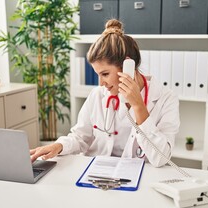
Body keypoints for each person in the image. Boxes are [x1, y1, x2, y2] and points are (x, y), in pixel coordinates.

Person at [30, 19, 180, 168]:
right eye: (98, 75)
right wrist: (58, 146)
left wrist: (138, 106)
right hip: (97, 174)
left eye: (105, 74)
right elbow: (80, 137)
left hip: (138, 180)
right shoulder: (98, 95)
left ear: (128, 65)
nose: (101, 83)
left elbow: (161, 158)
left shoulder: (165, 98)